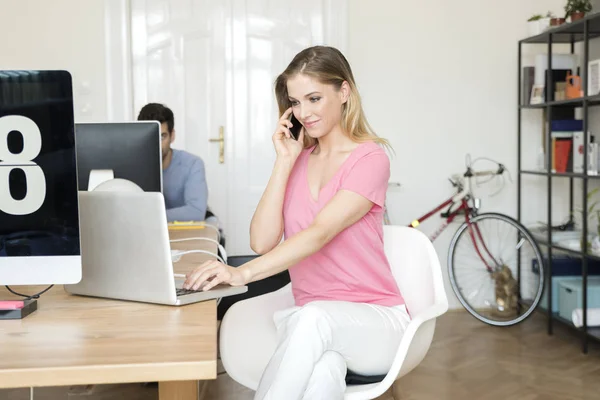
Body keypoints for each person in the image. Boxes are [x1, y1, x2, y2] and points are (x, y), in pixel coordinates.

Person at [183, 45, 409, 400]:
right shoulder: (299, 160)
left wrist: (241, 273)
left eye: (315, 98)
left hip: (375, 324)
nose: (304, 112)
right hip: (312, 324)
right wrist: (285, 162)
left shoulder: (370, 159)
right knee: (324, 374)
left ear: (344, 91)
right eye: (296, 102)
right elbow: (261, 240)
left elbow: (319, 234)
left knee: (314, 319)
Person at [137, 103, 216, 223]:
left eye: (162, 137)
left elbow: (196, 211)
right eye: (150, 137)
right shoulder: (134, 165)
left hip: (186, 231)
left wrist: (149, 215)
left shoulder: (192, 164)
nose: (156, 144)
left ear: (172, 136)